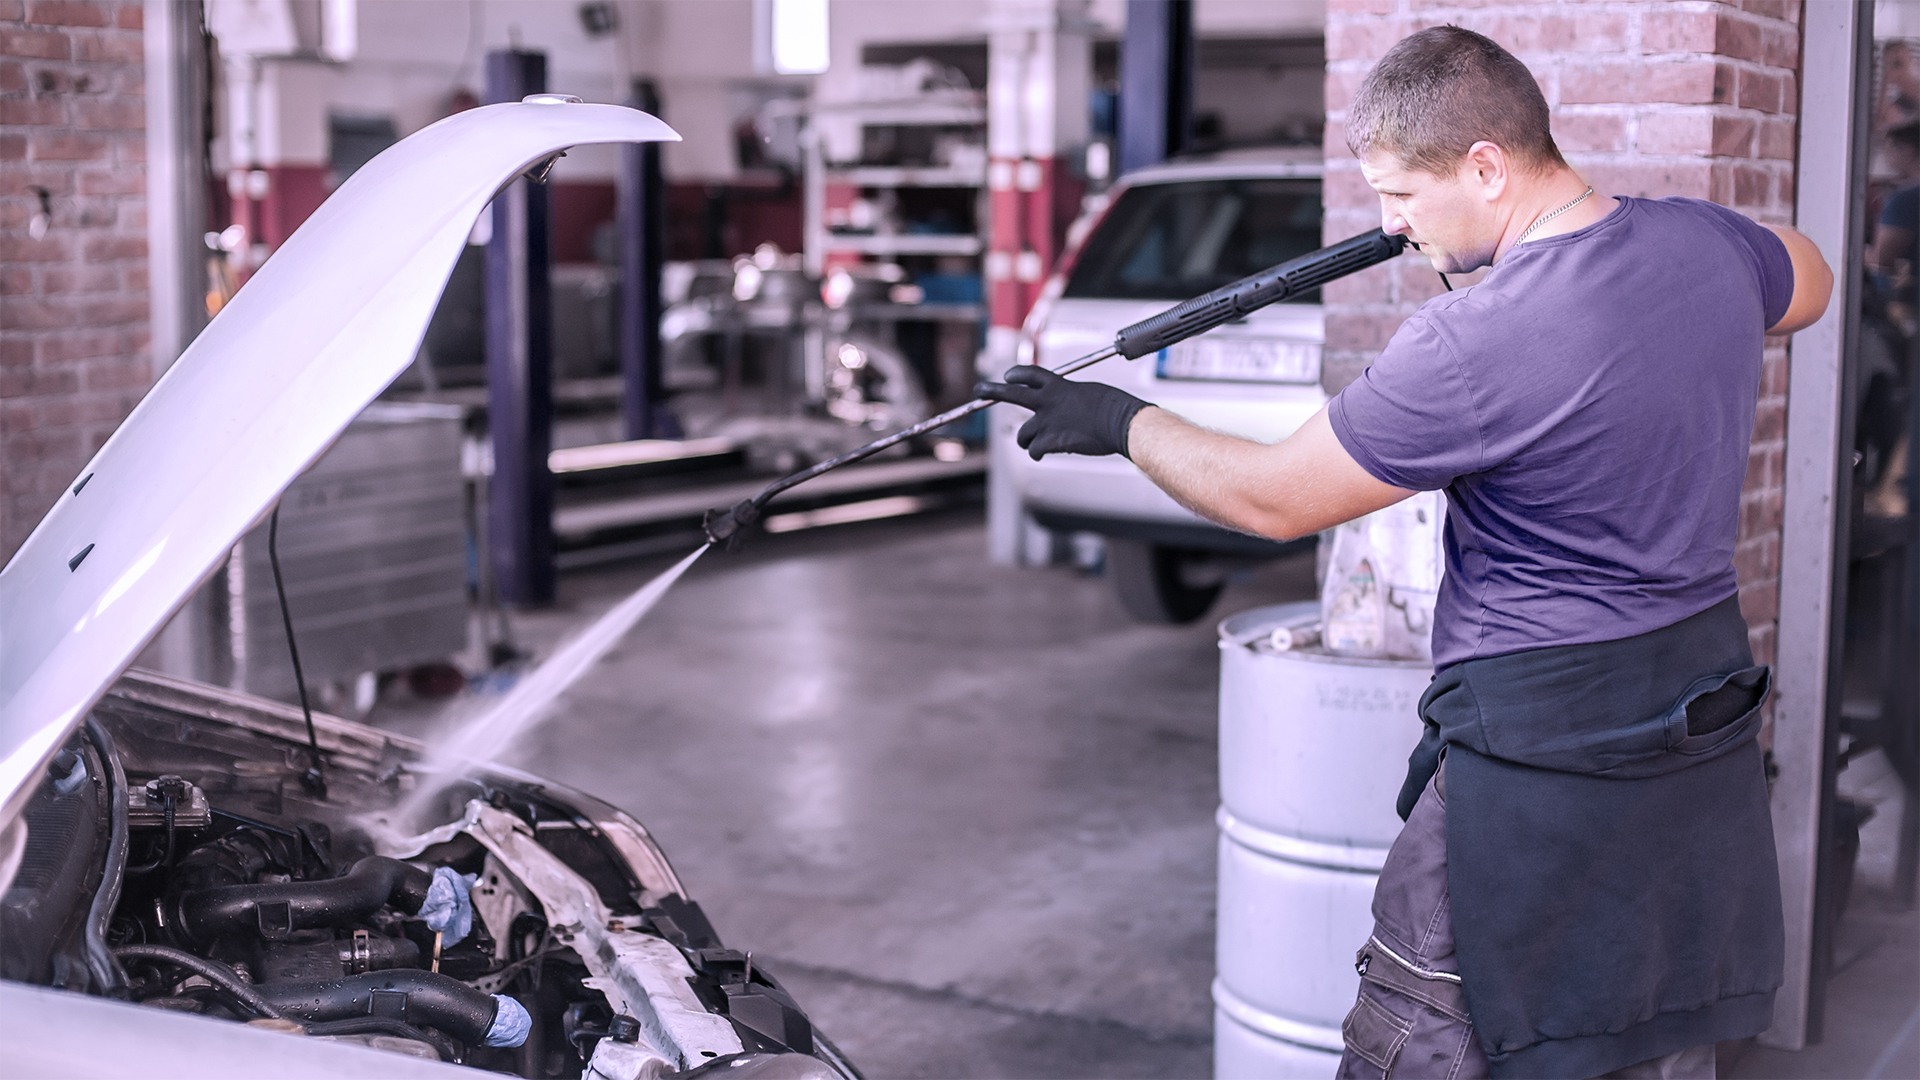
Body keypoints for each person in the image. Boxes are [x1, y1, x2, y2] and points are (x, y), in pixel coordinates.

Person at [977, 26, 1833, 1080]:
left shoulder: (1476, 343)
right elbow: (1811, 276)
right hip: (1694, 725)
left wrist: (1118, 420)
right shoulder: (1705, 246)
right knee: (1647, 1036)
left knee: (1428, 1045)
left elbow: (1271, 499)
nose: (1389, 225)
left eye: (1403, 196)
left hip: (1538, 766)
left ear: (1487, 165)